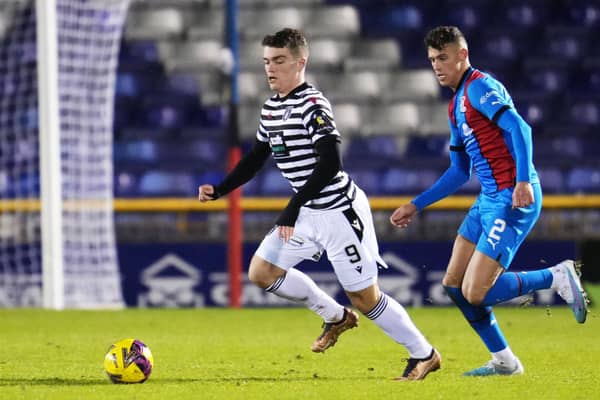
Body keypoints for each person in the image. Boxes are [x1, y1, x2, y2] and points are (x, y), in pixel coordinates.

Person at [199, 28, 440, 380]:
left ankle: (425, 354)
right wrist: (221, 189)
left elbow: (331, 165)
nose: (271, 69)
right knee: (262, 273)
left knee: (365, 298)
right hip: (308, 211)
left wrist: (293, 206)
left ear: (301, 62)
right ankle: (335, 316)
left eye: (279, 61)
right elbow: (256, 157)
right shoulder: (272, 108)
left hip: (339, 212)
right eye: (267, 61)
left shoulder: (313, 105)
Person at [390, 26, 589, 377]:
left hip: (511, 199)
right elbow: (458, 170)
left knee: (476, 291)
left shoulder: (480, 87)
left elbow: (520, 128)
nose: (437, 66)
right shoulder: (455, 105)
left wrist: (523, 180)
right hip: (487, 200)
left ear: (462, 55)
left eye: (443, 58)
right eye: (433, 60)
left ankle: (554, 276)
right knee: (453, 285)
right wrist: (416, 204)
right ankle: (505, 362)